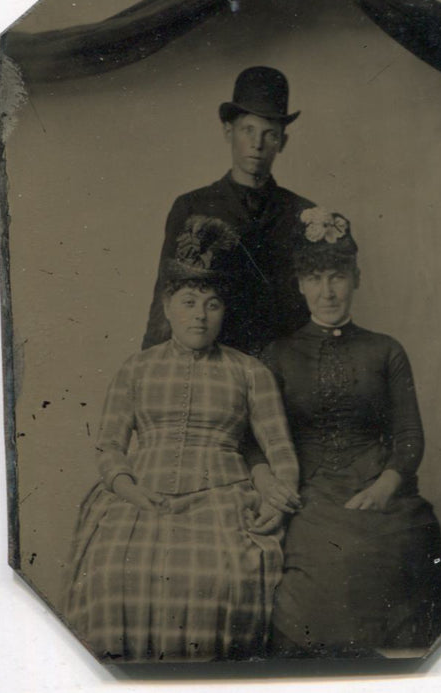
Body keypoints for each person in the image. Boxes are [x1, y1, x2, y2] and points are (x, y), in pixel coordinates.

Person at [64, 216, 299, 662]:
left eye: (212, 305)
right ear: (168, 306)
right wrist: (130, 489)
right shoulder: (136, 368)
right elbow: (110, 446)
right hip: (140, 497)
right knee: (111, 573)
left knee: (217, 579)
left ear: (224, 311)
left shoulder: (250, 372)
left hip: (223, 498)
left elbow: (280, 452)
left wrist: (274, 501)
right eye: (189, 302)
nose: (199, 315)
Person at [253, 207, 441, 655]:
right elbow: (254, 440)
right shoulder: (278, 355)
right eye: (317, 279)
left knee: (408, 539)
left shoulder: (386, 350)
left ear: (356, 279)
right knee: (332, 555)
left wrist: (386, 486)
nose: (328, 292)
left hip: (379, 489)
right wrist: (267, 480)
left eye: (338, 277)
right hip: (312, 492)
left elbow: (409, 436)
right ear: (301, 284)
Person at [142, 66, 314, 355]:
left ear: (282, 142)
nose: (257, 144)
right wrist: (150, 368)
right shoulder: (192, 206)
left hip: (283, 368)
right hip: (212, 365)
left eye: (269, 134)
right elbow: (166, 295)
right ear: (228, 132)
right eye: (248, 130)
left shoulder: (303, 214)